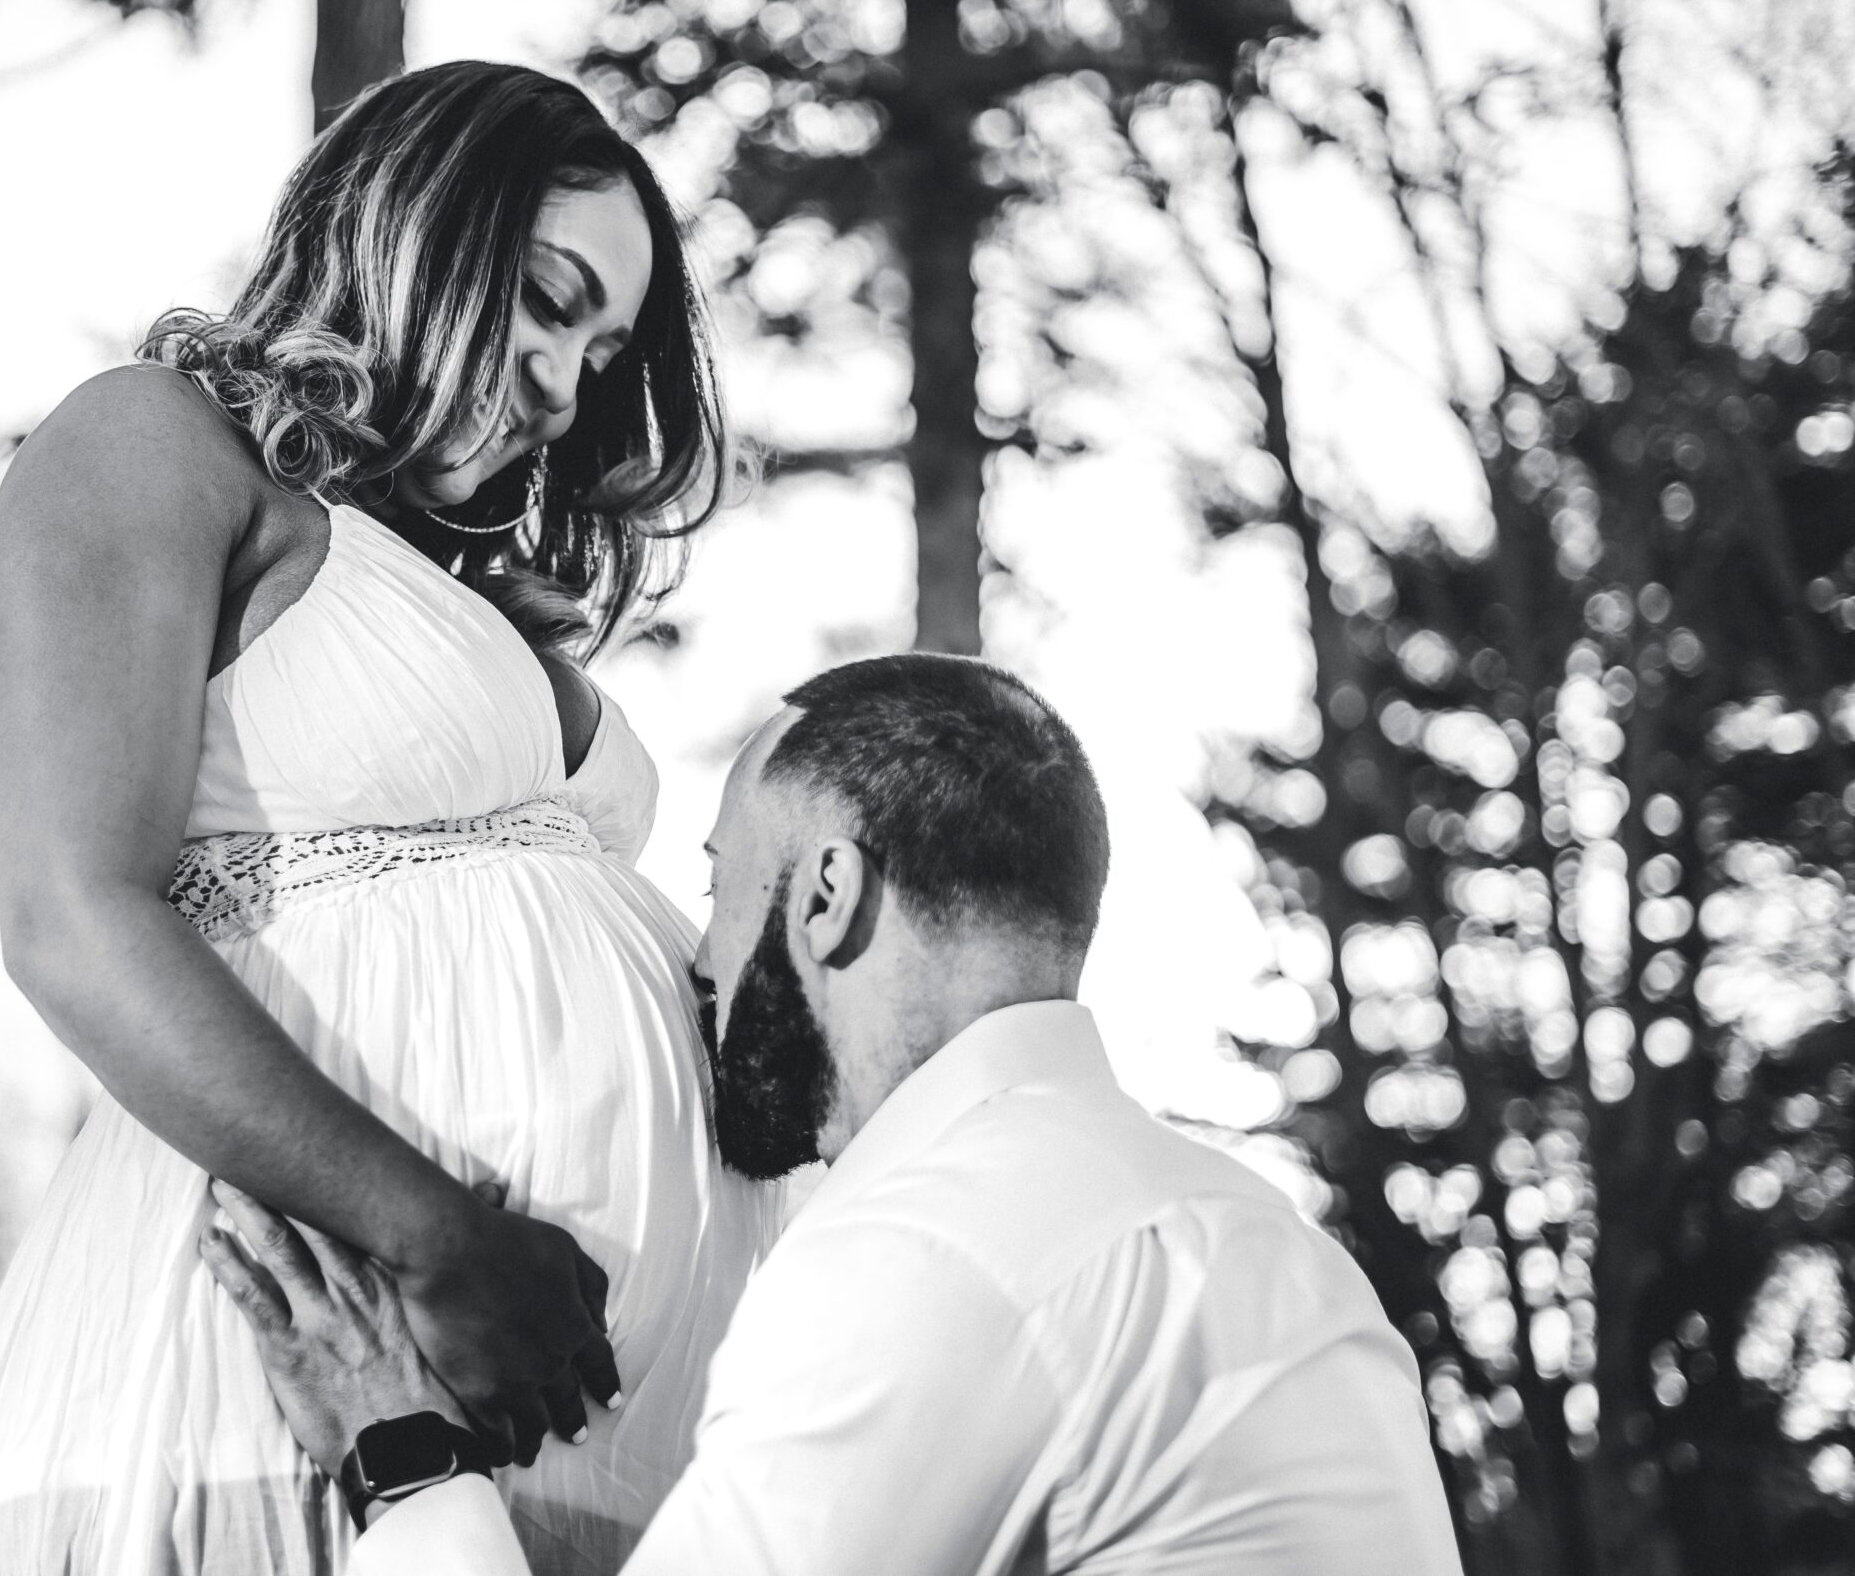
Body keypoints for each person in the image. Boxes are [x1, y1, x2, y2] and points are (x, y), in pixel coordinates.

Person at [0, 62, 780, 1576]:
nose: (567, 384)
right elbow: (71, 915)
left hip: (584, 1439)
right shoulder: (156, 446)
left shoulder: (449, 592)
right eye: (545, 297)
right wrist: (433, 1235)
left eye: (604, 348)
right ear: (411, 231)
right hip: (288, 1372)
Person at [203, 655, 1468, 1576]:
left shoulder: (940, 1250)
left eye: (719, 889)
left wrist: (404, 1452)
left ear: (825, 897)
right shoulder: (1262, 1243)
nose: (698, 962)